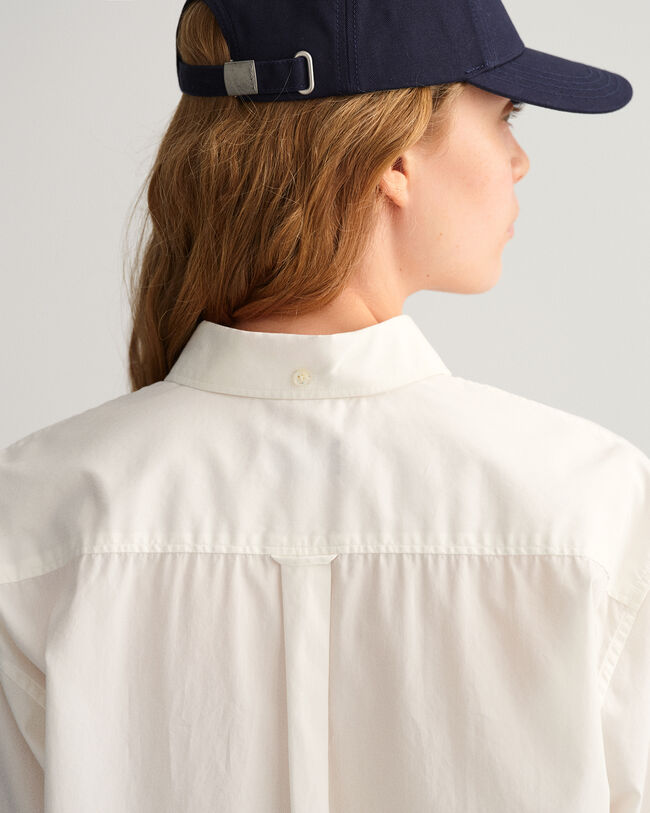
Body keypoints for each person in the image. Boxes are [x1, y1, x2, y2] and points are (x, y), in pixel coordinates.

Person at [1, 0, 648, 811]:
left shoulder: (33, 518)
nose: (520, 160)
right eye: (506, 115)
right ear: (396, 159)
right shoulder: (591, 511)